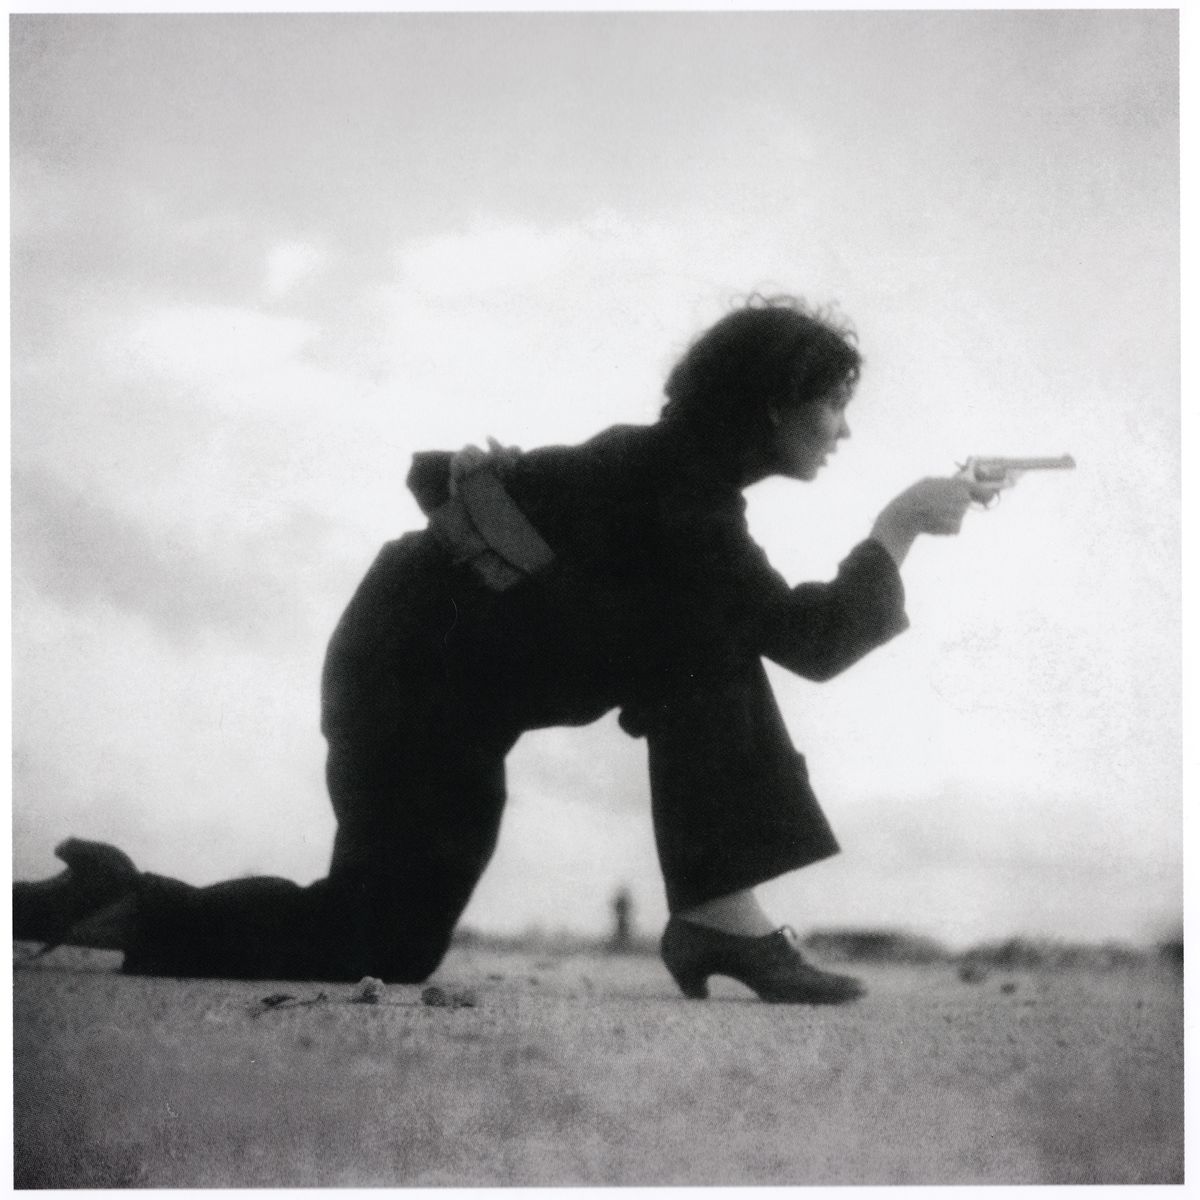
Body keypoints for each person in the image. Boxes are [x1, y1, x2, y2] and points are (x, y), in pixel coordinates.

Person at [13, 294, 987, 1003]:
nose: (845, 429)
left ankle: (718, 920)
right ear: (774, 404)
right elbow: (812, 642)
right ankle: (120, 907)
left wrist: (494, 505)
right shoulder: (681, 494)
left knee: (708, 651)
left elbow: (445, 479)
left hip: (431, 669)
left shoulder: (665, 470)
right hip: (411, 681)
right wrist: (896, 528)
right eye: (832, 405)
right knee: (377, 938)